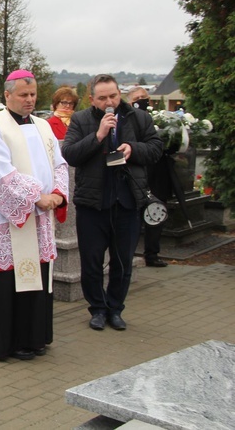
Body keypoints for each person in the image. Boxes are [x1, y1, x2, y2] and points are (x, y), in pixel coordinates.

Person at [0, 69, 69, 361]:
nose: (29, 100)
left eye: (33, 94)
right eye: (23, 95)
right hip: (7, 216)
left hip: (40, 215)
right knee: (9, 279)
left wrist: (58, 195)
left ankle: (35, 337)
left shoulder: (43, 126)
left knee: (37, 276)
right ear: (7, 95)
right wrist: (37, 197)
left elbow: (59, 163)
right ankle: (7, 342)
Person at [62, 74, 163, 332]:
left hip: (127, 201)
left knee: (122, 261)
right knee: (92, 261)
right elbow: (70, 154)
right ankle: (97, 308)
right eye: (103, 98)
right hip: (93, 203)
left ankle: (115, 308)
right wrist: (98, 136)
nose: (110, 102)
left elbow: (155, 148)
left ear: (120, 94)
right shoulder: (81, 120)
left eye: (114, 96)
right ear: (92, 99)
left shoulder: (138, 118)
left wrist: (133, 149)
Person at [127, 86, 168, 267]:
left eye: (145, 97)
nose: (142, 100)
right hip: (135, 175)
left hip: (156, 173)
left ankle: (152, 253)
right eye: (137, 98)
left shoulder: (154, 118)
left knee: (156, 212)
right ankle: (129, 254)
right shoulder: (128, 120)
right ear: (130, 102)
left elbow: (155, 145)